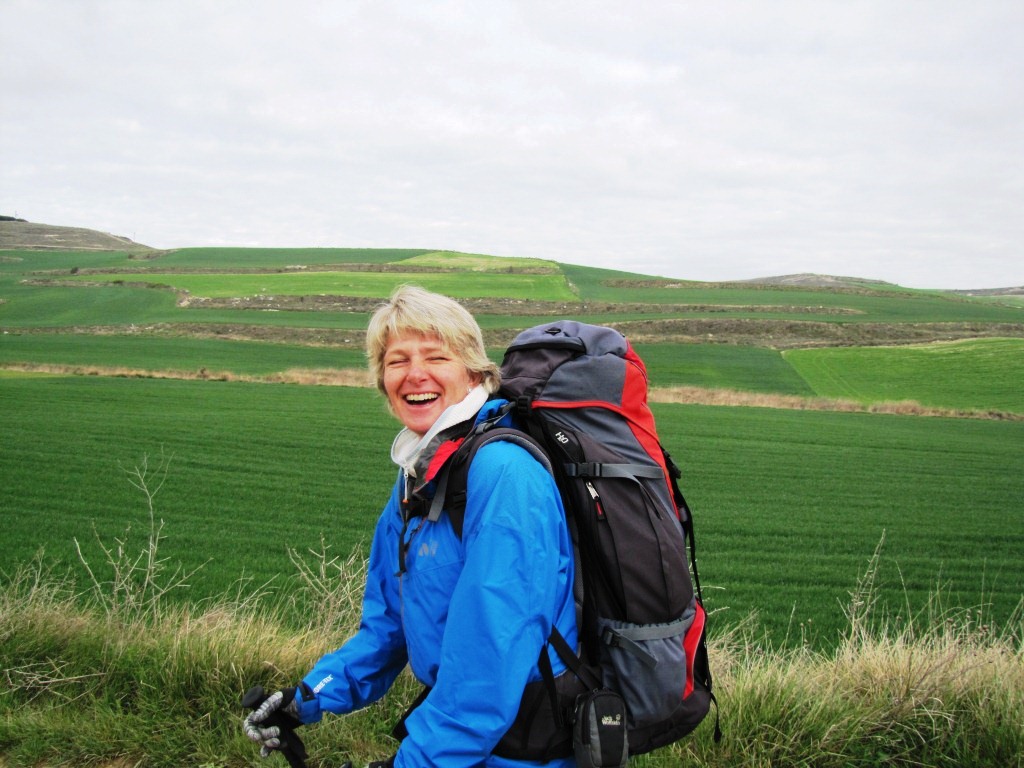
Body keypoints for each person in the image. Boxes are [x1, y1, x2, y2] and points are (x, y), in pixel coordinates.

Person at [244, 285, 579, 767]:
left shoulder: (503, 474)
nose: (414, 374)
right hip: (464, 739)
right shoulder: (419, 476)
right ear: (383, 380)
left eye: (436, 357)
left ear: (474, 372)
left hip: (523, 748)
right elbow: (387, 624)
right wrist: (308, 697)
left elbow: (489, 662)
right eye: (397, 360)